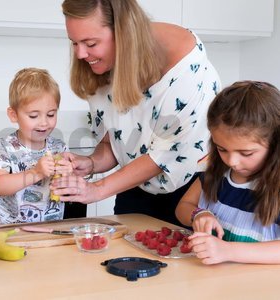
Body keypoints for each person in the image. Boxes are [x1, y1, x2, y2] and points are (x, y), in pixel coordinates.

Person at [50, 0, 221, 225]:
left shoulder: (186, 69)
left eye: (90, 43)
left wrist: (97, 190)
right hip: (133, 186)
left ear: (123, 33)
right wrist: (90, 163)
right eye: (74, 43)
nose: (81, 54)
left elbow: (163, 155)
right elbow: (117, 139)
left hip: (189, 195)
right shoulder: (105, 64)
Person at [175, 81, 280, 264]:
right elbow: (183, 206)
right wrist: (198, 214)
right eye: (221, 149)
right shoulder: (217, 173)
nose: (231, 161)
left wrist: (228, 251)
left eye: (246, 153)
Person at [0, 67, 72, 224]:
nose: (44, 122)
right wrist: (36, 172)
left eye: (51, 114)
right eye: (34, 115)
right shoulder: (6, 147)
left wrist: (69, 176)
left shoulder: (59, 148)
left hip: (49, 229)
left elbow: (68, 193)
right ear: (14, 115)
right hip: (10, 232)